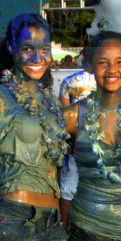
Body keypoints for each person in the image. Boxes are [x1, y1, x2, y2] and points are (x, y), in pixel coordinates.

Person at [63, 31, 121, 240]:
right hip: (86, 229)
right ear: (90, 65)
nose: (112, 70)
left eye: (120, 62)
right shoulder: (73, 115)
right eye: (103, 62)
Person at [0, 13, 68, 240]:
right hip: (13, 220)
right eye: (28, 48)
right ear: (11, 47)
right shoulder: (2, 97)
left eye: (45, 49)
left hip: (52, 220)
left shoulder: (52, 102)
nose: (37, 57)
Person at [58, 47, 97, 228]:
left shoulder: (69, 81)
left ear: (83, 58)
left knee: (68, 190)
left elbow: (64, 115)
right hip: (99, 142)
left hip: (74, 143)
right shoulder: (106, 81)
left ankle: (65, 229)